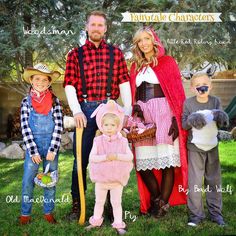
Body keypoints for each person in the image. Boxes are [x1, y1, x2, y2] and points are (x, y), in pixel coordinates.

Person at [63, 10, 132, 220]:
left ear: (105, 28)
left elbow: (124, 83)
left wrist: (126, 112)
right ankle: (78, 205)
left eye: (100, 25)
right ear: (86, 27)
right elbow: (69, 85)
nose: (96, 28)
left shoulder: (116, 53)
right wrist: (76, 110)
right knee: (80, 160)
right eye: (92, 25)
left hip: (110, 109)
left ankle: (112, 204)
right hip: (84, 110)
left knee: (112, 158)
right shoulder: (75, 54)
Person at [129, 27, 188, 217]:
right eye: (140, 40)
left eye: (147, 39)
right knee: (143, 162)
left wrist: (175, 119)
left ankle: (162, 204)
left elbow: (177, 92)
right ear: (137, 44)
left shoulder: (167, 62)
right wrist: (135, 106)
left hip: (164, 111)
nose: (144, 43)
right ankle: (156, 199)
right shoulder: (134, 66)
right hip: (142, 116)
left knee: (167, 161)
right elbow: (132, 91)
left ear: (154, 40)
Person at [182, 72, 228, 227]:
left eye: (205, 85)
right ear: (193, 88)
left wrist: (219, 116)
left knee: (213, 180)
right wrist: (193, 120)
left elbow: (222, 122)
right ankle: (195, 215)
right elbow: (184, 124)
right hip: (195, 147)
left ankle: (216, 214)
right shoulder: (188, 103)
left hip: (212, 146)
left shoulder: (215, 101)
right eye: (198, 86)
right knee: (195, 182)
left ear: (211, 86)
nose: (202, 88)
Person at [19, 63, 63, 225]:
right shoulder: (26, 102)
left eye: (45, 79)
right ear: (31, 80)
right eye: (37, 79)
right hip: (34, 148)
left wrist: (53, 149)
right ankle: (25, 214)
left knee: (49, 181)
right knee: (27, 181)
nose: (41, 82)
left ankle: (48, 212)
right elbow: (25, 127)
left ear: (49, 82)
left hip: (51, 146)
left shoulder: (55, 101)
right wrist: (33, 151)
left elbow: (58, 125)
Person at [86, 100, 133, 234]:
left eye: (112, 125)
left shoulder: (122, 141)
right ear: (101, 125)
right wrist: (105, 157)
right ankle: (95, 221)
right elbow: (92, 158)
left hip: (116, 179)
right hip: (101, 179)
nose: (109, 128)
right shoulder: (97, 141)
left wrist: (116, 156)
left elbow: (129, 157)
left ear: (118, 126)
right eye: (106, 125)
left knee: (116, 202)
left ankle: (118, 224)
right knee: (99, 201)